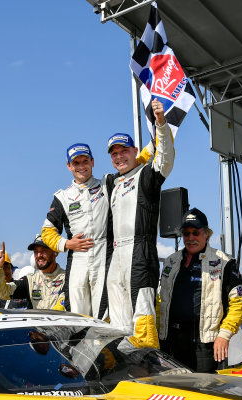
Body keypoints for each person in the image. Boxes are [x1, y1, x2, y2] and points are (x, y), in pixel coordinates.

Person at [105, 98, 173, 348]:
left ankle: (148, 372)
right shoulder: (112, 182)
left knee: (142, 316)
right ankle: (123, 372)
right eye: (114, 153)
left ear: (135, 152)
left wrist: (161, 125)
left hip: (140, 251)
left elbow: (165, 159)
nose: (120, 156)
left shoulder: (146, 175)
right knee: (118, 322)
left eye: (124, 151)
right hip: (116, 255)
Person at [158, 208, 242, 372]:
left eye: (195, 233)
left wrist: (224, 335)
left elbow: (239, 304)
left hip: (205, 345)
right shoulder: (171, 261)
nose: (190, 238)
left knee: (203, 392)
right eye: (186, 233)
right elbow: (160, 301)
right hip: (170, 342)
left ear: (206, 234)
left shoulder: (224, 262)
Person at [41, 143, 110, 319]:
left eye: (85, 161)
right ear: (69, 166)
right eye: (76, 163)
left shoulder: (107, 184)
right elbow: (47, 232)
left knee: (104, 311)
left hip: (104, 253)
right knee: (78, 313)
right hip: (78, 258)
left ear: (92, 162)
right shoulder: (62, 196)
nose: (81, 166)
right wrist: (66, 244)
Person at [0, 235, 66, 310]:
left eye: (44, 251)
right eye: (36, 252)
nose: (39, 255)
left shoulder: (68, 278)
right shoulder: (30, 280)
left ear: (55, 253)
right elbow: (1, 293)